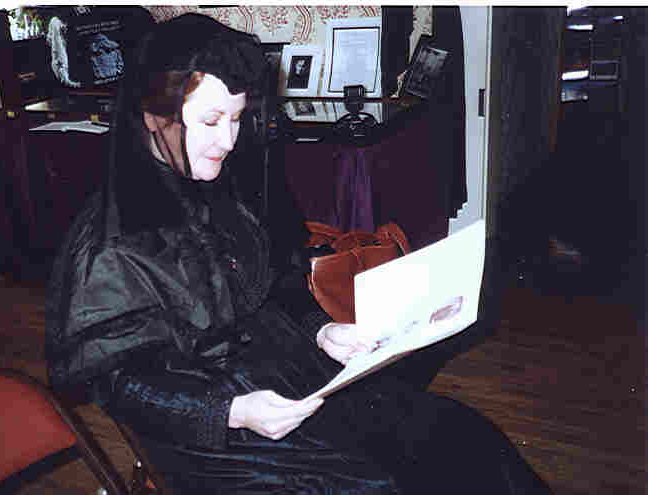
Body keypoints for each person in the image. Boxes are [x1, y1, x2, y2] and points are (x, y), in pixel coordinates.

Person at [46, 14, 552, 494]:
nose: (227, 141)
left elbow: (271, 286)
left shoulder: (210, 187)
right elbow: (123, 388)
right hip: (212, 431)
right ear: (154, 118)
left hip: (285, 377)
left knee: (459, 437)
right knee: (376, 483)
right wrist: (232, 411)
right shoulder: (108, 249)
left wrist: (321, 328)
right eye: (211, 120)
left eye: (238, 118)